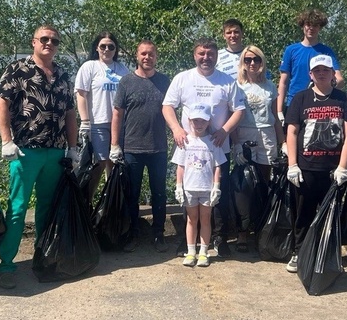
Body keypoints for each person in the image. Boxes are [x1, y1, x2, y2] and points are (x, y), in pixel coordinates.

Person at [0, 25, 79, 289]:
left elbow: (70, 114)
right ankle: (6, 264)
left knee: (46, 209)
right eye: (44, 39)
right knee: (18, 209)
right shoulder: (17, 69)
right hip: (25, 150)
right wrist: (6, 140)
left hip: (55, 151)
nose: (49, 43)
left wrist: (73, 148)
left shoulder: (63, 75)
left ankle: (42, 258)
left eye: (54, 40)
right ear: (34, 42)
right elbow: (1, 104)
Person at [162, 37, 246, 257]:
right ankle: (188, 242)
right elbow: (167, 106)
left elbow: (239, 109)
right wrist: (176, 130)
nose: (205, 58)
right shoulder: (183, 78)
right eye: (201, 53)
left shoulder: (227, 81)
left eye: (210, 54)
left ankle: (219, 239)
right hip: (188, 147)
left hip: (217, 146)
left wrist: (224, 130)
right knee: (187, 194)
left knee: (218, 194)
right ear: (194, 55)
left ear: (217, 56)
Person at [285, 55, 347, 273]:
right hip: (306, 167)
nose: (322, 74)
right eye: (317, 71)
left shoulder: (343, 99)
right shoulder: (301, 98)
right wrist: (292, 164)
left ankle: (330, 256)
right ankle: (300, 252)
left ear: (333, 73)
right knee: (303, 213)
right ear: (311, 74)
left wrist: (343, 167)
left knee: (331, 215)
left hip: (332, 170)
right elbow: (292, 131)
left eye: (326, 70)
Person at [109, 40, 171, 252]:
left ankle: (158, 234)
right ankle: (132, 233)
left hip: (158, 148)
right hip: (132, 148)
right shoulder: (126, 82)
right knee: (131, 194)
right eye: (143, 54)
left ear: (156, 56)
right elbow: (117, 114)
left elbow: (173, 111)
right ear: (137, 56)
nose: (147, 57)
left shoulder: (165, 81)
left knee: (159, 193)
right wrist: (115, 145)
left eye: (151, 54)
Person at [231, 45, 284, 251]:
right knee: (243, 185)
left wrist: (283, 143)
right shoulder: (237, 85)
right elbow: (232, 117)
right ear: (243, 62)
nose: (252, 63)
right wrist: (235, 144)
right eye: (248, 60)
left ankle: (260, 227)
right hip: (244, 134)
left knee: (264, 182)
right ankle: (242, 232)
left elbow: (275, 118)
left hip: (267, 135)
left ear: (262, 63)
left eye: (256, 60)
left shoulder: (271, 86)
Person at [75, 32, 130, 200]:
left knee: (114, 165)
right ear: (97, 48)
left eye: (111, 46)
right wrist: (85, 121)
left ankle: (109, 205)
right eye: (103, 46)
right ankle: (87, 202)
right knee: (98, 163)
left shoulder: (122, 69)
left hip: (118, 124)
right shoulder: (90, 66)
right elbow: (81, 94)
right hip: (97, 122)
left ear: (116, 49)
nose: (107, 49)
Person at [172, 104, 226, 267]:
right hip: (189, 188)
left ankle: (204, 252)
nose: (199, 124)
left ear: (208, 122)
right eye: (195, 120)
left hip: (206, 189)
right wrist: (179, 186)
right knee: (191, 219)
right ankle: (191, 251)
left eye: (202, 121)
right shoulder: (185, 141)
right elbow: (180, 166)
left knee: (205, 219)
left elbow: (218, 166)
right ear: (189, 121)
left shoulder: (213, 142)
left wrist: (216, 186)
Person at [277, 8, 343, 124]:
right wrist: (279, 110)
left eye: (315, 25)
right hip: (294, 103)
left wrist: (326, 87)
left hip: (318, 105)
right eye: (308, 24)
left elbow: (339, 79)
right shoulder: (291, 50)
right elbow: (283, 82)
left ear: (320, 28)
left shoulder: (326, 51)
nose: (311, 28)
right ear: (303, 26)